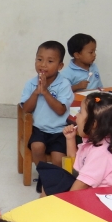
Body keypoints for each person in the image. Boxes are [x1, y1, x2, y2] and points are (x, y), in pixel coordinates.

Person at [37, 93, 112, 196]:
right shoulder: (95, 142)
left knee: (51, 185)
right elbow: (74, 164)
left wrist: (64, 202)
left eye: (80, 112)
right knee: (50, 179)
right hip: (93, 192)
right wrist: (70, 139)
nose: (76, 115)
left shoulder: (102, 152)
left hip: (100, 200)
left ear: (94, 124)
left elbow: (81, 185)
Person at [21, 41, 73, 170]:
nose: (43, 64)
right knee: (37, 147)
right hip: (39, 129)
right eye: (39, 59)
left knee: (58, 158)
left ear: (60, 66)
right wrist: (36, 92)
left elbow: (61, 110)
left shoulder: (64, 84)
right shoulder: (30, 84)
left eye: (50, 61)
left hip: (60, 130)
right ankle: (44, 175)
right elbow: (26, 109)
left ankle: (54, 177)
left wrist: (45, 91)